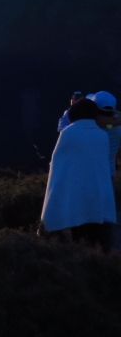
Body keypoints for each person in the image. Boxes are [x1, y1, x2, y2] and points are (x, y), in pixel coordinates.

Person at [40, 98, 117, 252]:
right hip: (98, 194)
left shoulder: (68, 134)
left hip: (74, 196)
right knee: (97, 241)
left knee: (78, 239)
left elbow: (59, 167)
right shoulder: (103, 135)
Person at [88, 91, 121, 177]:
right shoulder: (116, 125)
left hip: (94, 171)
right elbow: (109, 124)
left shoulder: (94, 125)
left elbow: (105, 124)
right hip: (110, 170)